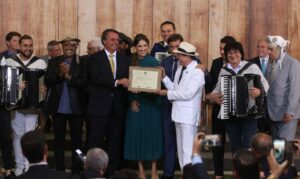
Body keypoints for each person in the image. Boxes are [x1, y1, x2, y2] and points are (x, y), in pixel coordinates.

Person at [209, 41, 269, 153]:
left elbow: (265, 84)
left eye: (236, 52)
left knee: (249, 146)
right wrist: (213, 97)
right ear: (226, 55)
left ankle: (249, 170)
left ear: (241, 54)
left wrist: (259, 91)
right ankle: (237, 170)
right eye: (229, 53)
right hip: (231, 115)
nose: (233, 55)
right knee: (235, 147)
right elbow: (217, 90)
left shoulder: (251, 67)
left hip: (249, 115)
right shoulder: (224, 70)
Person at [1, 34, 47, 176]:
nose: (28, 48)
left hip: (33, 106)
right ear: (19, 46)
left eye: (30, 45)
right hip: (16, 106)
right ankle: (19, 165)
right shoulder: (8, 61)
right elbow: (2, 84)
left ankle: (29, 165)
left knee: (29, 135)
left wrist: (43, 88)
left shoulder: (40, 63)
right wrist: (15, 85)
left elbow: (45, 82)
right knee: (17, 135)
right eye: (25, 45)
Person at [86, 29, 129, 177]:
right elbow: (96, 78)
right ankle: (92, 173)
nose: (115, 42)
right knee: (94, 141)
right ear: (104, 41)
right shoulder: (94, 58)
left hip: (118, 108)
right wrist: (117, 82)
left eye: (117, 40)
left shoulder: (124, 58)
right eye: (112, 40)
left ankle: (111, 173)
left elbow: (130, 78)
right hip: (99, 108)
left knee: (114, 143)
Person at [158, 42, 205, 170]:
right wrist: (164, 78)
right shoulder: (180, 68)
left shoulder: (198, 72)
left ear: (188, 56)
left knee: (188, 152)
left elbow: (187, 94)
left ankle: (189, 175)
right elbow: (175, 88)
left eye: (180, 55)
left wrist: (166, 93)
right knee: (181, 151)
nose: (178, 57)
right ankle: (186, 174)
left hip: (189, 117)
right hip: (178, 115)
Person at [44, 36, 86, 174]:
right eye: (66, 46)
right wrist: (61, 75)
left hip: (77, 108)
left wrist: (69, 77)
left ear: (76, 47)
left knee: (77, 142)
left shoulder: (83, 62)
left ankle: (77, 168)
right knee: (58, 141)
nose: (69, 48)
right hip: (58, 109)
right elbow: (48, 80)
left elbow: (85, 83)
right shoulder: (54, 61)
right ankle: (59, 169)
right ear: (62, 47)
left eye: (72, 46)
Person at [124, 34, 163, 179]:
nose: (142, 49)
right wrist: (131, 100)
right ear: (135, 47)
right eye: (139, 46)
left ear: (148, 46)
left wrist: (143, 89)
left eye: (145, 46)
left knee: (152, 137)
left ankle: (154, 170)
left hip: (152, 105)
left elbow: (158, 86)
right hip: (136, 105)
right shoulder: (131, 61)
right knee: (138, 137)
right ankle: (140, 170)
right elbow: (127, 86)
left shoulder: (153, 61)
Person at [205, 35, 236, 179]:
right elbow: (210, 85)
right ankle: (217, 174)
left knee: (236, 144)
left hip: (234, 113)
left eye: (224, 49)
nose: (221, 51)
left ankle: (237, 172)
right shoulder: (216, 62)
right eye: (220, 48)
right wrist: (210, 96)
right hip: (216, 111)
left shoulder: (241, 63)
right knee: (214, 143)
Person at [265, 35, 300, 141]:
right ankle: (279, 159)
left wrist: (290, 112)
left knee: (283, 148)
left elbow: (296, 90)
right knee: (277, 146)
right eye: (268, 49)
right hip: (272, 113)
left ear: (280, 49)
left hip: (287, 114)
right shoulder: (270, 63)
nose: (268, 52)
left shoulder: (293, 64)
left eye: (271, 49)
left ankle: (284, 159)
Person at [160, 33, 183, 179]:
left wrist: (204, 71)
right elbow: (157, 81)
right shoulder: (165, 62)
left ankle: (187, 173)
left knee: (184, 145)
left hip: (183, 109)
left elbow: (206, 79)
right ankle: (168, 174)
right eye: (172, 47)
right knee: (169, 143)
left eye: (177, 47)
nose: (174, 50)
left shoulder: (193, 61)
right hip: (167, 107)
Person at [250, 39, 270, 133]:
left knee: (275, 135)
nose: (260, 49)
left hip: (274, 105)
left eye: (263, 47)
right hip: (258, 104)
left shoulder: (275, 62)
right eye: (258, 47)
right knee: (259, 135)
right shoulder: (250, 63)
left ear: (268, 48)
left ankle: (277, 148)